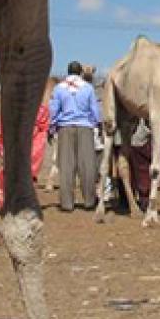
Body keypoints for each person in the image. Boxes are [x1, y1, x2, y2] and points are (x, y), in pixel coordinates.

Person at [50, 61, 100, 212]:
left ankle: (66, 203)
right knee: (87, 165)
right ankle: (89, 201)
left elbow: (53, 110)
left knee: (66, 166)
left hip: (65, 127)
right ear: (80, 73)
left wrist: (52, 126)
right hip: (85, 127)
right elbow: (94, 110)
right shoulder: (88, 88)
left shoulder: (59, 88)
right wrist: (97, 123)